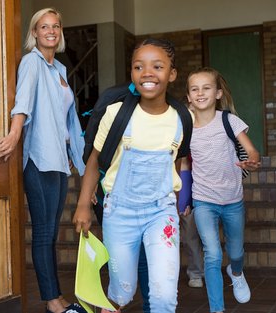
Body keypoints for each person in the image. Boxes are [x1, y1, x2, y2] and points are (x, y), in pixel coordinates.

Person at [73, 38, 187, 313]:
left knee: (163, 295)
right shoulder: (117, 113)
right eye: (139, 66)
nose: (147, 72)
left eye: (157, 66)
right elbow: (94, 161)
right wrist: (83, 205)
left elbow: (178, 163)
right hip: (119, 213)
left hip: (162, 213)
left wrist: (180, 202)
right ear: (132, 73)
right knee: (120, 292)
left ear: (171, 74)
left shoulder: (182, 118)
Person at [0, 7, 87, 313]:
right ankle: (53, 301)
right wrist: (14, 134)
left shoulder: (58, 68)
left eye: (56, 26)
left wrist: (72, 152)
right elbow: (23, 101)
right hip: (39, 158)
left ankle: (56, 297)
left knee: (51, 232)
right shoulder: (32, 63)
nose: (51, 31)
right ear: (34, 32)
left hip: (58, 159)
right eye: (44, 27)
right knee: (44, 233)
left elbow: (65, 118)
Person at [186, 67, 261, 313]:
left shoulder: (229, 120)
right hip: (203, 201)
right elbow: (184, 164)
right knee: (213, 254)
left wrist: (251, 159)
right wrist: (184, 198)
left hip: (232, 200)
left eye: (206, 88)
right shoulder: (185, 127)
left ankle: (236, 272)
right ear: (188, 96)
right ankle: (217, 309)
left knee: (236, 252)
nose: (200, 93)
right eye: (194, 89)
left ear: (218, 93)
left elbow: (251, 150)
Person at [178, 158, 205, 289]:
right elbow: (183, 164)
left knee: (194, 235)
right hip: (177, 189)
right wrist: (183, 201)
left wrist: (187, 201)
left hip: (203, 191)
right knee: (189, 236)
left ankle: (198, 273)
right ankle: (196, 274)